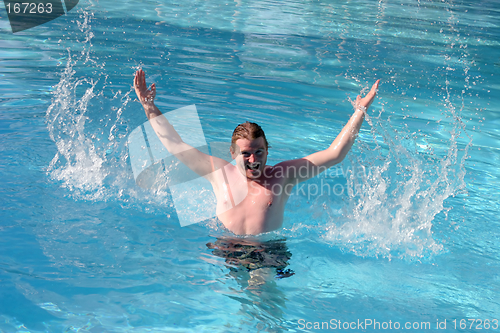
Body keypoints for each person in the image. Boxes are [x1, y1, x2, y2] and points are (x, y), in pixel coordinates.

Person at [134, 69, 379, 235]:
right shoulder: (218, 173)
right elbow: (175, 146)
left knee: (259, 294)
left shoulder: (283, 175)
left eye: (260, 152)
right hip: (226, 248)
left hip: (267, 254)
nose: (254, 160)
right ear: (232, 152)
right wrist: (149, 106)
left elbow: (335, 154)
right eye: (246, 154)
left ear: (267, 150)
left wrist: (359, 111)